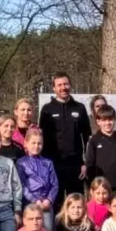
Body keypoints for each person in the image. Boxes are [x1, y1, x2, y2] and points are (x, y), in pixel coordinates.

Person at [38, 73, 90, 201]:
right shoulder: (47, 109)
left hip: (76, 165)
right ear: (54, 88)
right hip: (54, 164)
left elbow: (87, 137)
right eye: (59, 85)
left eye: (66, 84)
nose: (63, 88)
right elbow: (42, 139)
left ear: (70, 85)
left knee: (76, 203)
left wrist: (86, 163)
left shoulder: (80, 108)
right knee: (56, 203)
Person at [16, 127, 59, 231]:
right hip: (30, 204)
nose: (36, 146)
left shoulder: (48, 163)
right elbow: (21, 185)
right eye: (33, 143)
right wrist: (35, 200)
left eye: (39, 143)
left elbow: (54, 184)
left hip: (46, 204)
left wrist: (49, 199)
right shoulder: (21, 163)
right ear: (26, 143)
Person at [85, 104, 116, 193]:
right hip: (102, 187)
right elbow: (90, 164)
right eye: (104, 120)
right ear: (98, 121)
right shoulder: (94, 140)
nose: (108, 123)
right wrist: (91, 184)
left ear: (114, 120)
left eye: (110, 119)